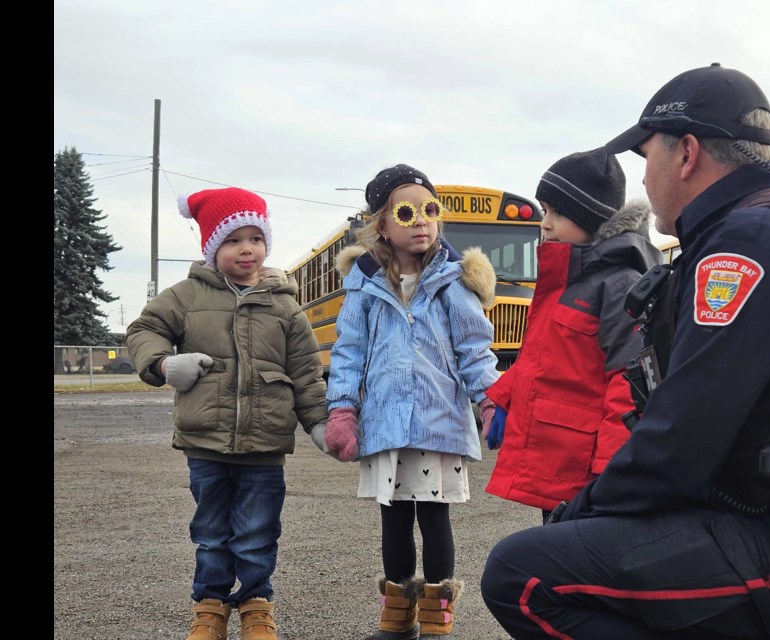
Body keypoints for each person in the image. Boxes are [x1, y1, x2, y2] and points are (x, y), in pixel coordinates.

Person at [480, 63, 770, 640]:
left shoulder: (746, 244)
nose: (645, 176)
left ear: (684, 153)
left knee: (522, 574)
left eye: (646, 157)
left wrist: (577, 511)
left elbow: (681, 438)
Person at [125, 187, 329, 640]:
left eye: (255, 238)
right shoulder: (185, 295)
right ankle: (210, 605)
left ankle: (256, 604)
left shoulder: (285, 306)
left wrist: (318, 422)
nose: (246, 249)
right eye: (234, 239)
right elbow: (144, 330)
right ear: (213, 246)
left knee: (258, 532)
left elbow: (306, 371)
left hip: (265, 446)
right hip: (206, 443)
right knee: (212, 531)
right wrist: (162, 364)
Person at [321, 164, 501, 640]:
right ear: (381, 223)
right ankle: (397, 615)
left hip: (438, 424)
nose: (421, 220)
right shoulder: (363, 286)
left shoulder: (453, 282)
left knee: (435, 518)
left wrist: (490, 401)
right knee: (394, 518)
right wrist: (341, 409)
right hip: (384, 425)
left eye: (430, 209)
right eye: (406, 211)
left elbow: (474, 350)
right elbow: (348, 353)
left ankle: (438, 617)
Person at [483, 148, 662, 522]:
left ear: (591, 219)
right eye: (545, 211)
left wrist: (611, 469)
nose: (545, 224)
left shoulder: (619, 285)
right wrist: (502, 396)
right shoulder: (568, 281)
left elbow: (628, 381)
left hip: (585, 468)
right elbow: (541, 358)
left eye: (557, 213)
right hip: (561, 458)